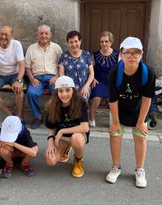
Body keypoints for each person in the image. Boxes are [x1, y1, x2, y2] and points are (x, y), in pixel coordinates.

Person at [106, 37, 155, 187]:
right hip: (119, 108)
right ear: (121, 54)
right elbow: (112, 100)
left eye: (136, 53)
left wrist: (141, 122)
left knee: (140, 136)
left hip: (139, 108)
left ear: (142, 54)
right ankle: (116, 167)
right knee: (115, 135)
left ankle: (139, 170)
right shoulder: (115, 72)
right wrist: (115, 122)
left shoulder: (148, 72)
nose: (132, 56)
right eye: (127, 53)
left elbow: (147, 99)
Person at [44, 76, 90, 178]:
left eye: (68, 90)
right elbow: (51, 126)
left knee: (76, 139)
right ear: (57, 92)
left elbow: (85, 127)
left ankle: (78, 159)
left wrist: (62, 131)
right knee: (50, 160)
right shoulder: (52, 105)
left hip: (78, 135)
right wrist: (50, 141)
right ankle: (65, 148)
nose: (64, 94)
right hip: (62, 138)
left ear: (73, 90)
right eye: (61, 91)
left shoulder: (80, 101)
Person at [25, 25, 63, 129]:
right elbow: (27, 67)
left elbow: (62, 65)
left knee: (58, 92)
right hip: (37, 78)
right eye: (41, 33)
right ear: (38, 35)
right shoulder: (31, 49)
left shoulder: (56, 48)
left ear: (50, 35)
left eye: (46, 33)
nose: (44, 35)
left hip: (53, 78)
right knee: (31, 93)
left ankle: (54, 116)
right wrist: (32, 79)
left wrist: (57, 76)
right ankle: (38, 117)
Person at [89, 31, 119, 127]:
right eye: (102, 42)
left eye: (106, 41)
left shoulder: (118, 54)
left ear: (111, 42)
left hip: (112, 82)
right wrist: (92, 78)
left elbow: (121, 70)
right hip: (99, 81)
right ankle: (91, 116)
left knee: (112, 98)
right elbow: (90, 70)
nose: (104, 44)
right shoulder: (95, 55)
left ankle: (114, 120)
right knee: (97, 98)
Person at [58, 30, 94, 101]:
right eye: (71, 42)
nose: (74, 44)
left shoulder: (86, 55)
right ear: (68, 43)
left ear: (80, 41)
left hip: (83, 87)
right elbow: (61, 74)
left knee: (81, 102)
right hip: (69, 88)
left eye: (76, 41)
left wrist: (86, 86)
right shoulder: (63, 56)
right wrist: (67, 89)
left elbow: (92, 73)